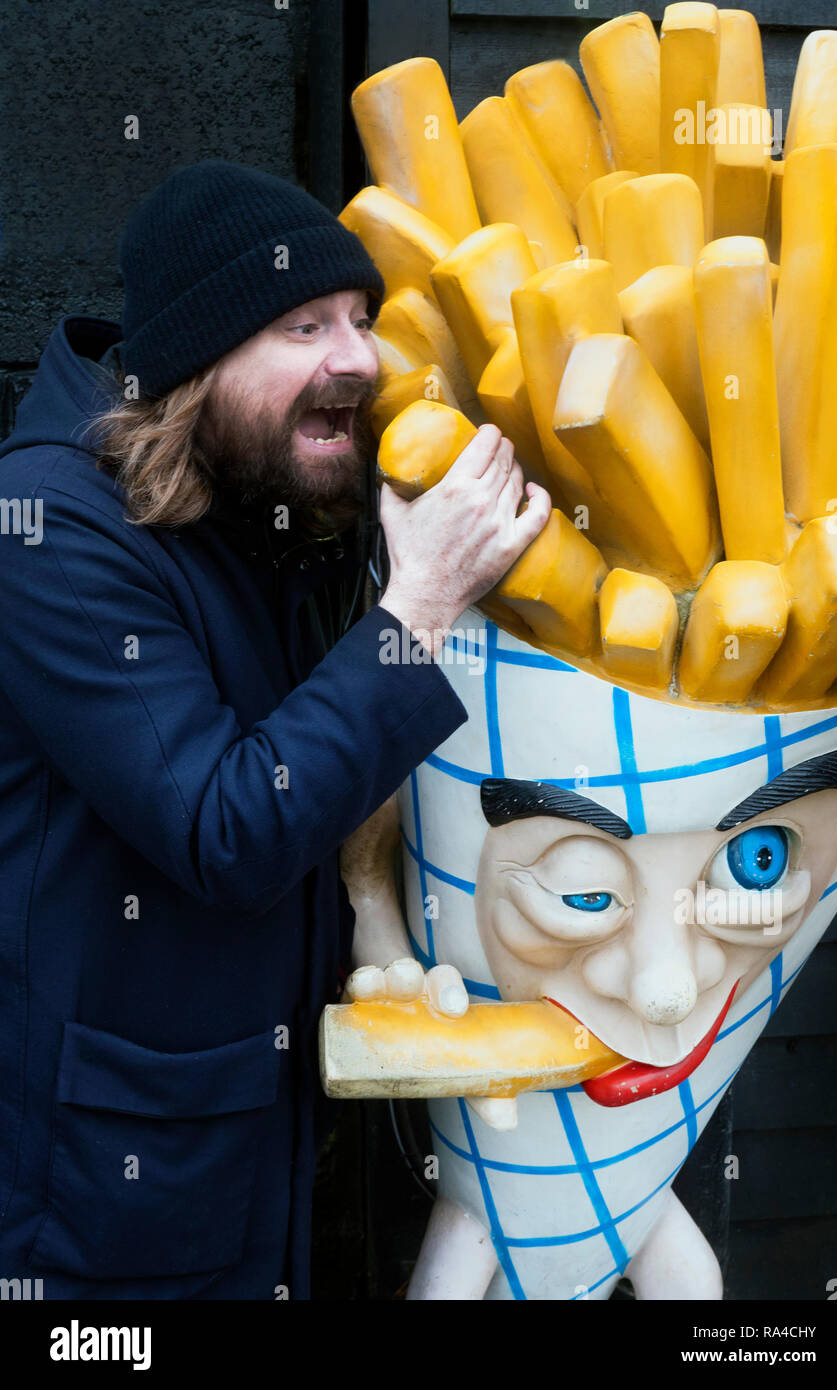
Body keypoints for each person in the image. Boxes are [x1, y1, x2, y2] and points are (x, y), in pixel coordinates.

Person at [0, 158, 550, 1300]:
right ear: (197, 363)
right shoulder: (46, 533)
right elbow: (226, 825)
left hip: (257, 1156)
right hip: (95, 1208)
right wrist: (421, 606)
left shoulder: (267, 504)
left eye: (360, 319)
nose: (358, 357)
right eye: (303, 325)